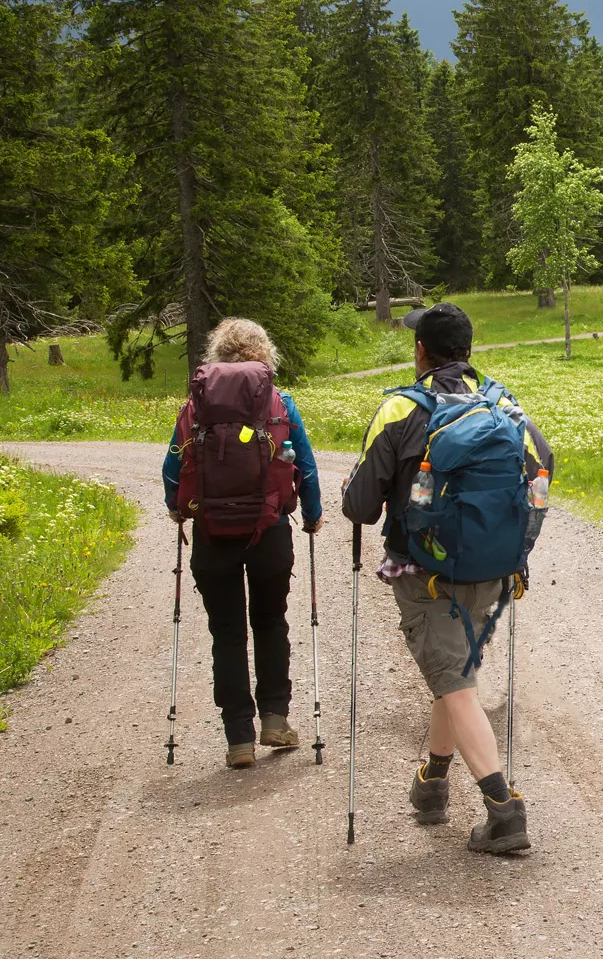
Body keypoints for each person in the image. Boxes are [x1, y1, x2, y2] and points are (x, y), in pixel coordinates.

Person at [341, 302, 554, 854]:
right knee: (453, 670)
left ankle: (504, 811)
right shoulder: (507, 407)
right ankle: (433, 781)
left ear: (420, 352)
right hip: (493, 570)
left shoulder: (398, 410)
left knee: (455, 683)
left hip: (425, 572)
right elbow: (541, 476)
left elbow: (361, 508)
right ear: (468, 350)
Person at [163, 318, 322, 769]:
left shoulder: (196, 407)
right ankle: (274, 718)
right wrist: (312, 515)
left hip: (212, 534)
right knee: (270, 622)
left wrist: (177, 508)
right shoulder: (280, 402)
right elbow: (305, 466)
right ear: (264, 356)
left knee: (226, 634)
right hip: (268, 530)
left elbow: (172, 471)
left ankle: (238, 739)